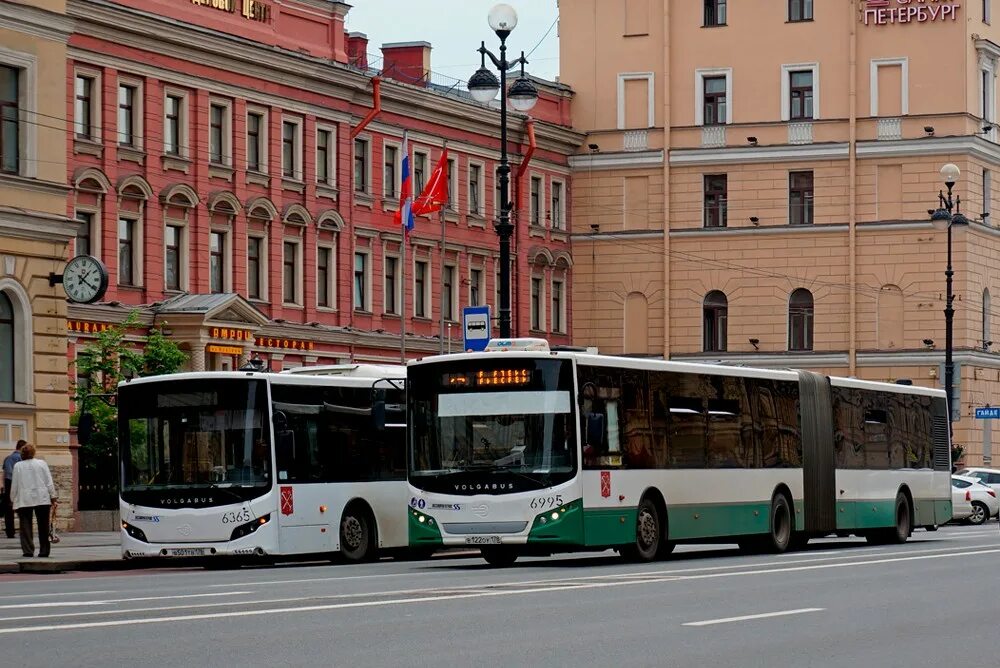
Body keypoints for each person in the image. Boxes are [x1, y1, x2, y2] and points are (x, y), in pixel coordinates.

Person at [10, 443, 57, 558]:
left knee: (25, 526)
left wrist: (13, 499)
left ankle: (28, 550)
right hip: (42, 498)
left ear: (22, 454)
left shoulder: (18, 466)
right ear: (33, 453)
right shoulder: (42, 463)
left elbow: (14, 485)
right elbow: (49, 481)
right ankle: (44, 550)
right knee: (43, 525)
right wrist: (53, 496)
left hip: (24, 499)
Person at [1, 440, 25, 538]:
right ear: (22, 448)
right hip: (19, 484)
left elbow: (5, 473)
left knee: (8, 510)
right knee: (22, 509)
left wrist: (2, 485)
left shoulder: (8, 458)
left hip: (8, 484)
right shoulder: (22, 458)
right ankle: (25, 530)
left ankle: (10, 532)